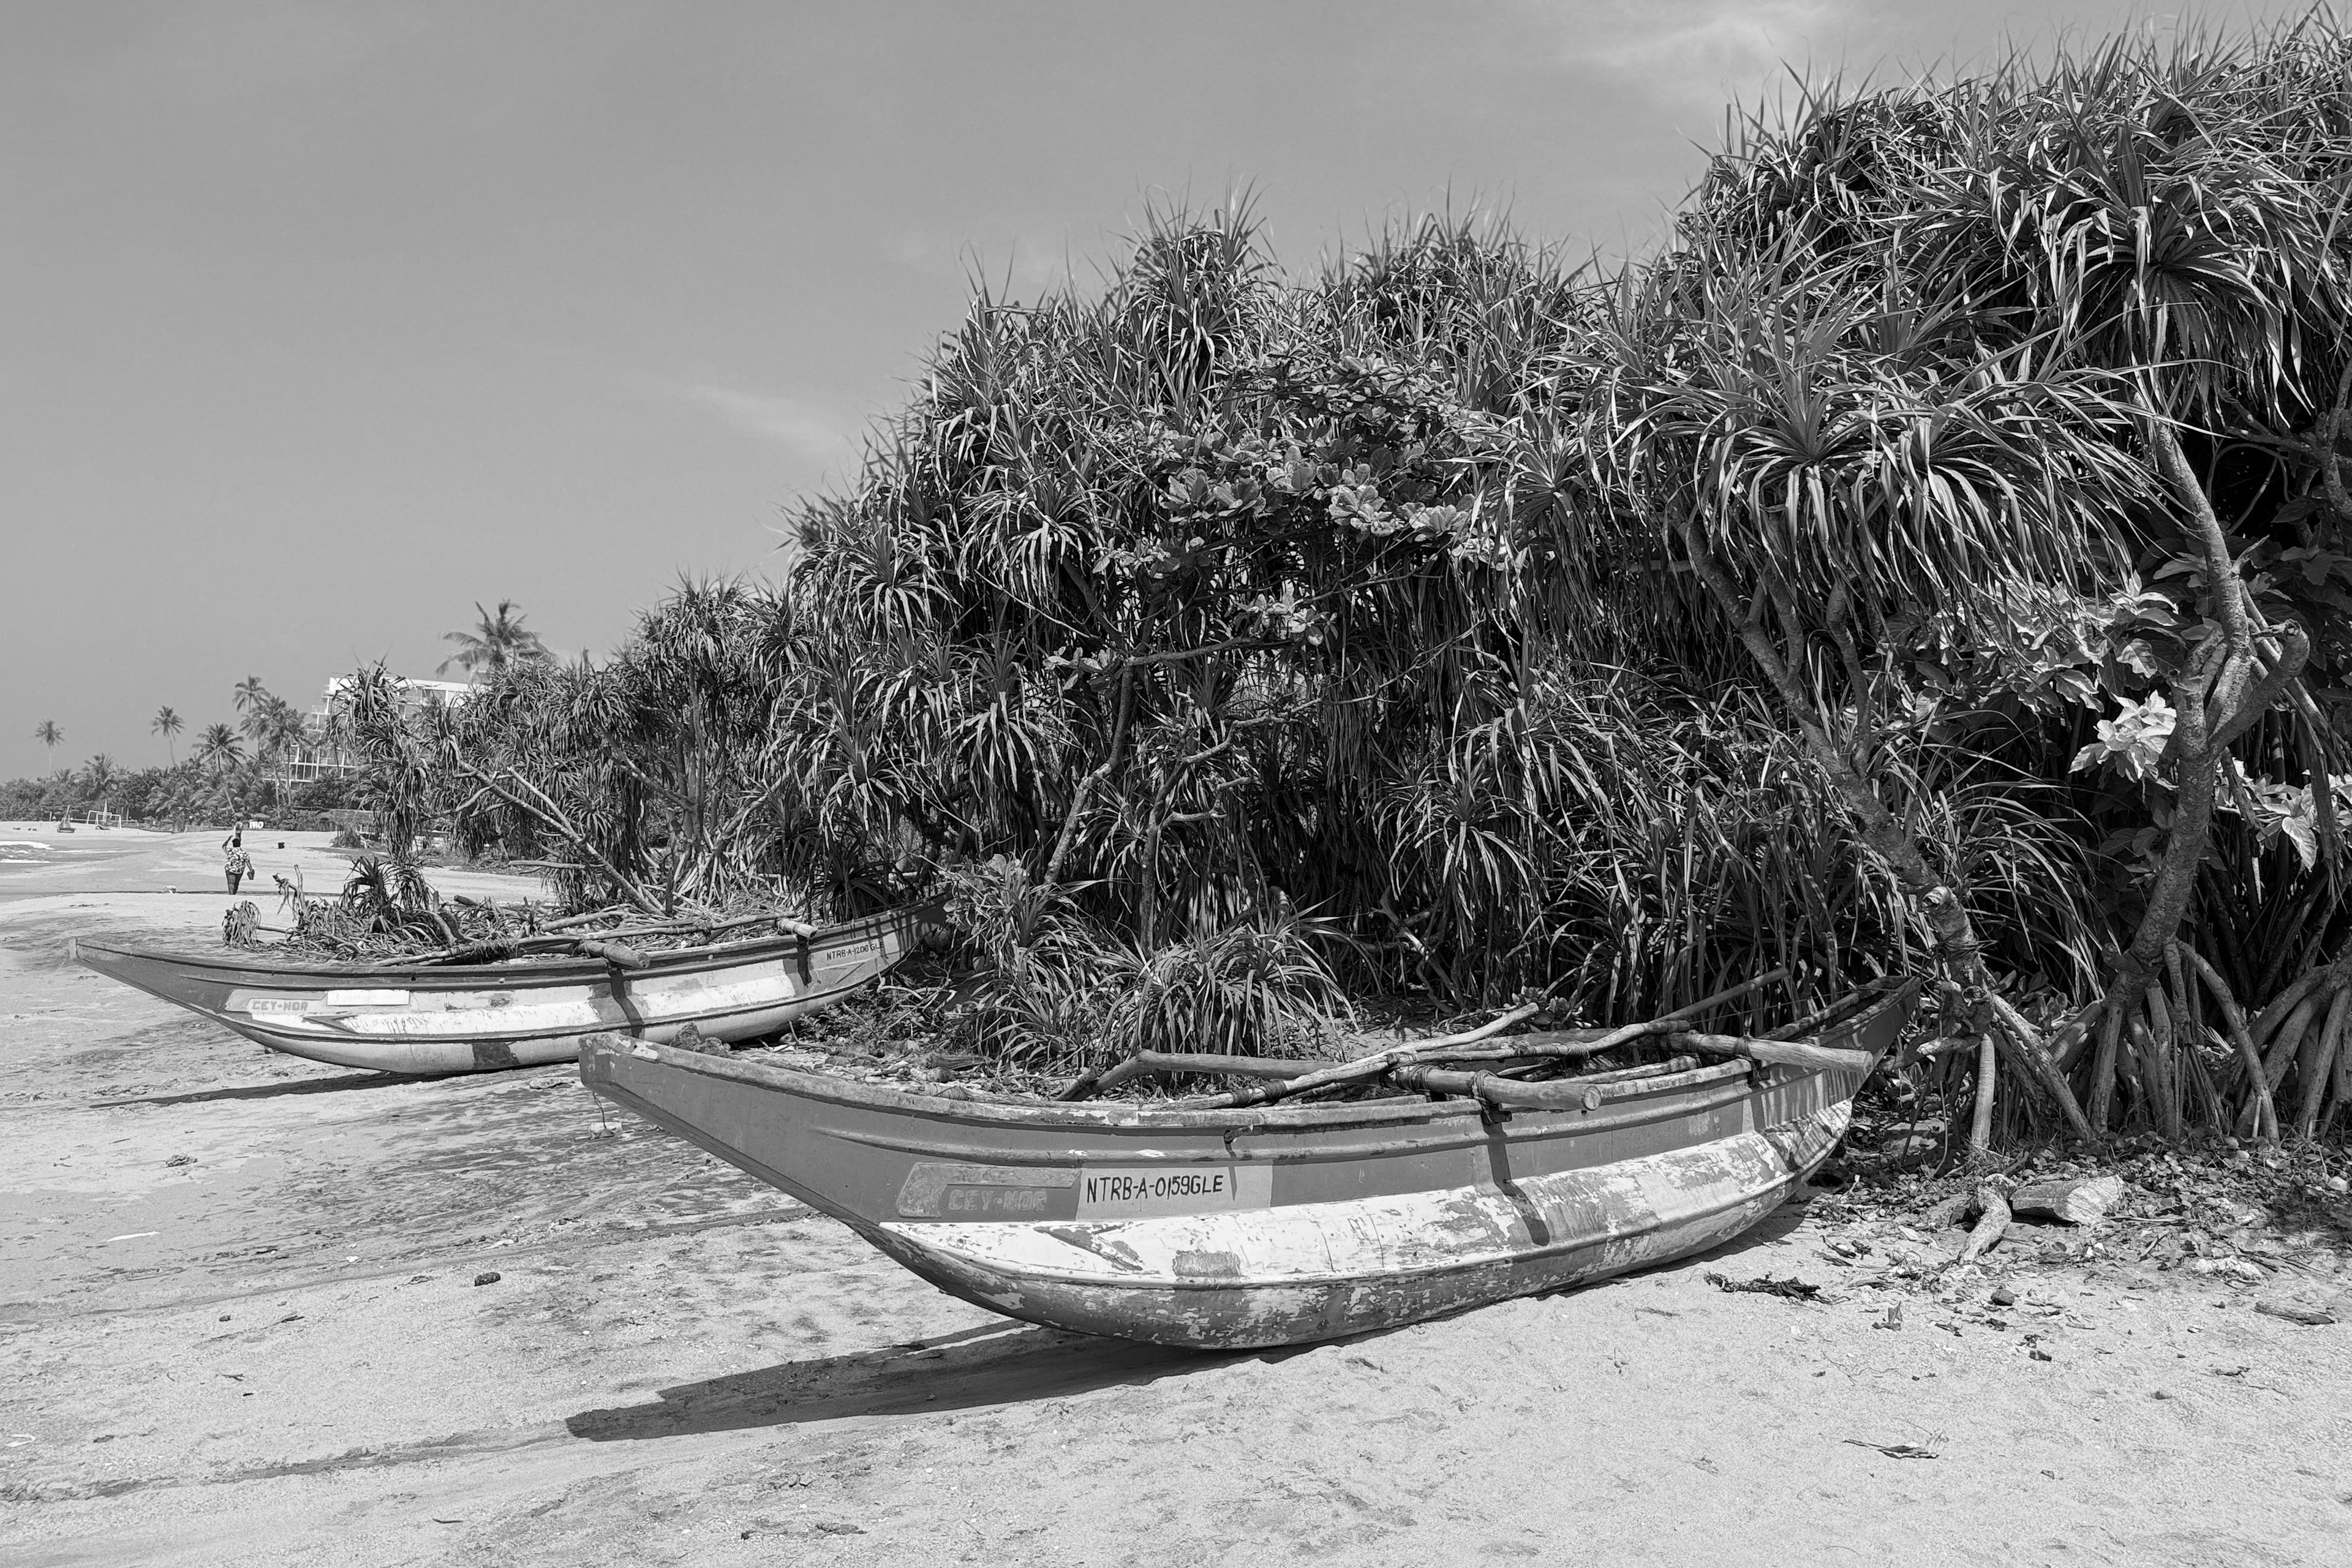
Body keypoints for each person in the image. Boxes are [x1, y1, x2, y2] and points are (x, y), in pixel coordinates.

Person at [222, 830, 252, 894]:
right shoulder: (244, 853)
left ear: (233, 844)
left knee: (231, 883)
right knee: (236, 883)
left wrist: (228, 840)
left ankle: (231, 894)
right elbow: (248, 862)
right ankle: (234, 894)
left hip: (230, 869)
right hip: (240, 870)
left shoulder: (230, 851)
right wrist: (251, 870)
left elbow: (224, 847)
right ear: (240, 844)